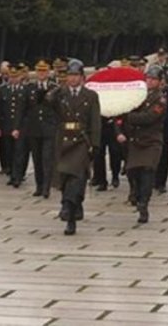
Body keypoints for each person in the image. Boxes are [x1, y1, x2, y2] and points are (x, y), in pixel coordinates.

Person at [46, 58, 101, 235]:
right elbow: (48, 104)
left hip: (81, 141)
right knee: (64, 178)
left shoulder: (90, 96)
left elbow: (95, 122)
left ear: (82, 77)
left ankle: (69, 212)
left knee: (77, 177)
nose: (72, 79)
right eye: (69, 75)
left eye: (75, 75)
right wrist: (56, 90)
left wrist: (95, 144)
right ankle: (73, 204)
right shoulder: (60, 94)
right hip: (63, 140)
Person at [115, 66, 167, 223]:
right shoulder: (137, 95)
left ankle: (144, 203)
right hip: (135, 140)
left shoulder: (160, 99)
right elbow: (121, 112)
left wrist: (129, 116)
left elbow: (149, 117)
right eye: (148, 79)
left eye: (153, 79)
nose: (150, 82)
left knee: (147, 172)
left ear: (159, 82)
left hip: (151, 141)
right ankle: (136, 195)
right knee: (132, 172)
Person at [24, 59, 58, 197]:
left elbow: (58, 109)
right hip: (34, 129)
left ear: (48, 72)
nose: (41, 73)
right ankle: (39, 185)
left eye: (44, 70)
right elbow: (25, 109)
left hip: (49, 128)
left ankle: (46, 187)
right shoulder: (30, 87)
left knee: (47, 159)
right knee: (37, 159)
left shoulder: (54, 88)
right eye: (39, 70)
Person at [0, 65, 28, 188]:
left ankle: (18, 176)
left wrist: (20, 128)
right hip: (6, 126)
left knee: (19, 152)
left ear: (20, 77)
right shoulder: (3, 90)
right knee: (9, 152)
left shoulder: (25, 90)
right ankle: (11, 174)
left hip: (20, 127)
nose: (13, 79)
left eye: (16, 76)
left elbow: (26, 111)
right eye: (11, 76)